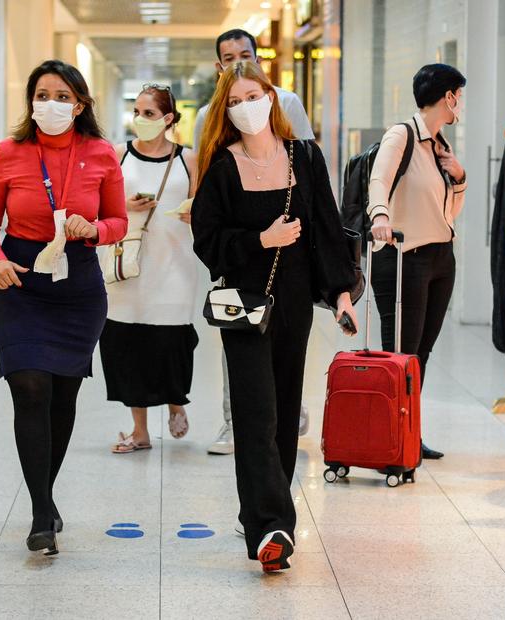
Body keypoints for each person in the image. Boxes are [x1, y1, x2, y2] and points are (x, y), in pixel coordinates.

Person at [191, 61, 358, 573]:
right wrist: (261, 240)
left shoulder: (304, 158)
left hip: (293, 302)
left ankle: (268, 511)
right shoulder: (221, 167)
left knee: (285, 412)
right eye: (234, 101)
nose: (245, 107)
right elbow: (207, 240)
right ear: (226, 110)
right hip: (243, 302)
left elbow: (328, 230)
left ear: (272, 97)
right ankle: (272, 527)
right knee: (255, 412)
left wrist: (343, 293)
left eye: (252, 96)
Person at [0, 60, 127, 556]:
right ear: (30, 101)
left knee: (63, 398)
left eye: (63, 96)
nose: (51, 104)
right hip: (19, 279)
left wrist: (97, 231)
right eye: (42, 94)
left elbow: (119, 220)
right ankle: (42, 510)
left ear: (79, 104)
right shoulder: (8, 153)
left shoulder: (101, 153)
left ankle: (46, 494)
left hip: (78, 283)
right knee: (29, 385)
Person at [194, 28, 315, 456]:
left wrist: (336, 286)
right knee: (245, 358)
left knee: (284, 365)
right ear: (218, 66)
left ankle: (287, 415)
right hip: (242, 268)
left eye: (244, 54)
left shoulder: (288, 106)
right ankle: (236, 421)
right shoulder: (212, 126)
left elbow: (309, 186)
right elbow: (203, 189)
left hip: (292, 273)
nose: (236, 62)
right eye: (228, 57)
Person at [367, 63, 467, 460]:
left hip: (441, 257)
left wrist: (459, 178)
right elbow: (379, 178)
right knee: (401, 354)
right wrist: (380, 215)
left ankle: (407, 430)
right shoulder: (402, 135)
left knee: (420, 355)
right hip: (404, 257)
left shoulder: (441, 146)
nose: (461, 103)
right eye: (459, 95)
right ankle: (389, 435)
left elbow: (449, 211)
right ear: (448, 97)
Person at [102, 84, 199, 453]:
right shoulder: (117, 156)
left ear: (168, 119)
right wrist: (124, 205)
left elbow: (205, 202)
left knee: (170, 341)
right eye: (137, 113)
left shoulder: (188, 159)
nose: (140, 120)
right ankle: (139, 430)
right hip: (127, 264)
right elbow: (99, 203)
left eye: (149, 114)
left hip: (175, 263)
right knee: (127, 344)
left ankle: (176, 400)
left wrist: (195, 214)